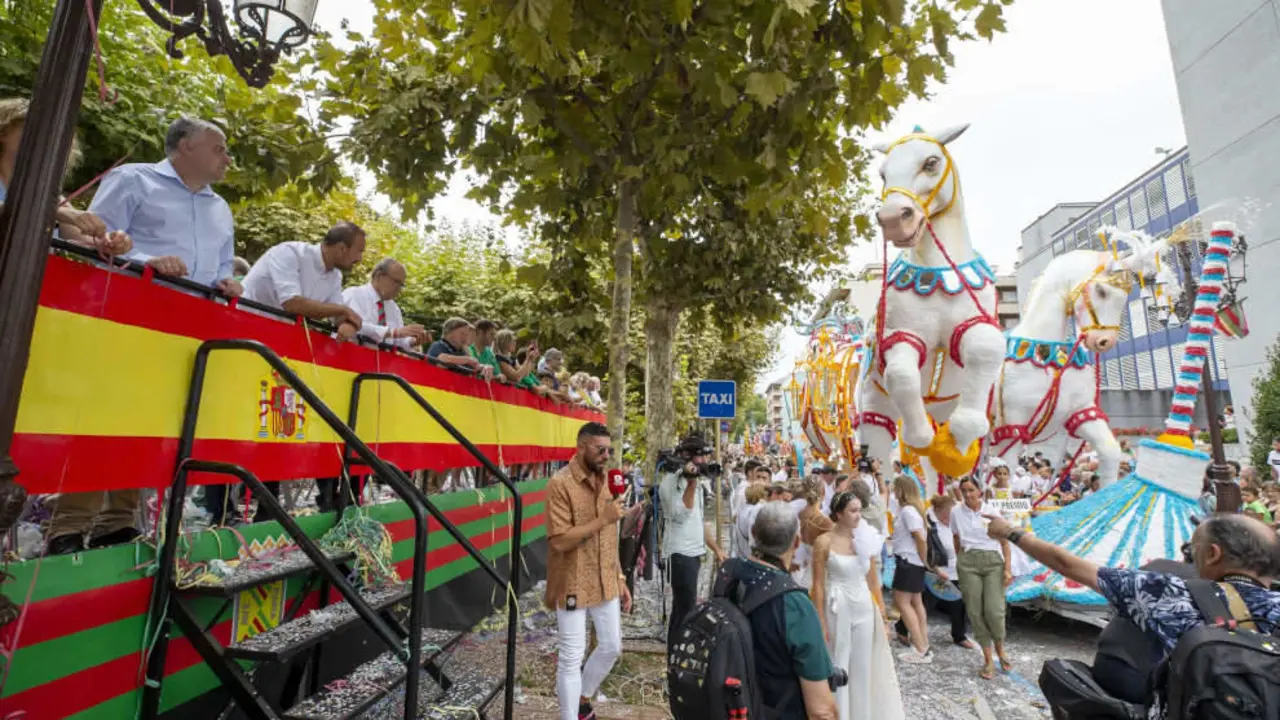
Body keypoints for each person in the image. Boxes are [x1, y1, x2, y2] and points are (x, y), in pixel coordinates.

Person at [984, 512, 1280, 717]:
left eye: (1193, 549)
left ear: (1213, 554)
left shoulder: (1168, 592)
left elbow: (1068, 564)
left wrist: (1010, 532)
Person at [716, 502, 838, 720]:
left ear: (753, 533)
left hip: (731, 704)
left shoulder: (728, 572)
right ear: (797, 542)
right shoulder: (795, 604)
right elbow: (821, 710)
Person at [545, 422, 634, 720]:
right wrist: (603, 519)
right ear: (581, 447)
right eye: (600, 449)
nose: (606, 455)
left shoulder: (610, 481)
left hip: (606, 577)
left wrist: (621, 577)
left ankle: (581, 698)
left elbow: (610, 537)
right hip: (571, 579)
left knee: (611, 647)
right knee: (571, 657)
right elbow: (559, 541)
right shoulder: (560, 483)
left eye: (609, 449)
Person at [94, 117, 240, 295]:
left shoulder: (221, 208)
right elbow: (95, 240)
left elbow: (225, 263)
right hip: (126, 302)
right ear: (187, 147)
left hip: (196, 315)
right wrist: (147, 261)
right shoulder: (131, 179)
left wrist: (227, 281)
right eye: (219, 150)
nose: (228, 160)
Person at [811, 492, 904, 720]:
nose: (858, 515)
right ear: (839, 514)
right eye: (853, 511)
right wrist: (820, 620)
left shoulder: (864, 537)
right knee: (839, 660)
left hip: (863, 605)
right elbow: (818, 586)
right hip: (838, 604)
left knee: (863, 666)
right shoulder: (824, 542)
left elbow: (874, 581)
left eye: (859, 510)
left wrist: (882, 617)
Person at [0, 97, 130, 255]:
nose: (44, 139)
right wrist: (57, 213)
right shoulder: (51, 204)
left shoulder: (48, 195)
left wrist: (110, 242)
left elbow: (85, 240)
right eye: (34, 129)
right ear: (3, 132)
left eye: (52, 135)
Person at [659, 433, 728, 646]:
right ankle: (677, 652)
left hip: (694, 552)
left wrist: (716, 549)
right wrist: (690, 485)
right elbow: (680, 514)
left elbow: (698, 521)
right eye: (701, 458)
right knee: (685, 607)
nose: (705, 463)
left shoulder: (696, 484)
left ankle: (679, 650)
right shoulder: (670, 483)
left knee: (685, 607)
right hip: (680, 554)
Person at [241, 221, 367, 336]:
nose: (360, 259)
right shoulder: (290, 252)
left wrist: (348, 324)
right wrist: (343, 310)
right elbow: (292, 304)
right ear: (342, 249)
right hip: (241, 326)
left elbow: (336, 314)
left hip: (277, 336)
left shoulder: (335, 276)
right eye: (359, 251)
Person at [895, 493, 973, 652]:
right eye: (947, 513)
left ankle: (959, 635)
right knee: (924, 603)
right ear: (938, 510)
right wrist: (934, 568)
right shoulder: (929, 523)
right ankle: (902, 628)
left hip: (954, 569)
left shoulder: (954, 523)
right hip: (935, 571)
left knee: (958, 603)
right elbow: (926, 548)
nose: (950, 516)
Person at [953, 477, 1013, 679]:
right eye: (964, 490)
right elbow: (956, 537)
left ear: (980, 490)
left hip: (992, 561)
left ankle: (1001, 649)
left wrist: (1008, 569)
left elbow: (1004, 543)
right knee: (975, 611)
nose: (968, 494)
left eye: (971, 489)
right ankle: (988, 660)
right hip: (968, 561)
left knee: (994, 610)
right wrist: (960, 560)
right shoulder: (956, 512)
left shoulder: (991, 512)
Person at [889, 475, 933, 663]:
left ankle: (921, 648)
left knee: (903, 603)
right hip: (913, 562)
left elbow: (920, 538)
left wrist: (923, 559)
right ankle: (923, 644)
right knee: (916, 602)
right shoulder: (913, 510)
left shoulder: (908, 511)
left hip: (909, 561)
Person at [343, 258, 429, 349]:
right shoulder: (354, 294)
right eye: (396, 282)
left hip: (381, 361)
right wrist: (392, 332)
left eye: (401, 285)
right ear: (379, 275)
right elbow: (354, 326)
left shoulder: (394, 308)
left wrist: (413, 341)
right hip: (347, 357)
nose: (399, 288)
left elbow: (398, 340)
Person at [794, 475, 834, 589]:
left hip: (801, 575)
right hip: (819, 580)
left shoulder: (799, 515)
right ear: (823, 492)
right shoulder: (825, 522)